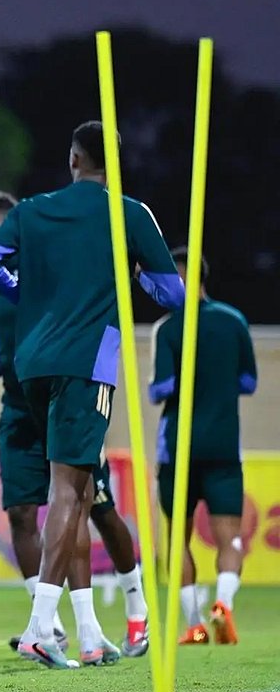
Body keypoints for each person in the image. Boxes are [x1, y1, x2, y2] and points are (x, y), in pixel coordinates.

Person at [0, 121, 184, 669]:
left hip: (32, 364)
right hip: (87, 363)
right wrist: (132, 275)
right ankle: (40, 628)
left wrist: (25, 293)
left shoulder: (31, 210)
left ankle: (90, 632)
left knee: (84, 490)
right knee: (70, 489)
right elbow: (174, 294)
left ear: (73, 159)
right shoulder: (129, 213)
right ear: (114, 163)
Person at [150, 247, 257, 645]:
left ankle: (194, 625)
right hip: (224, 445)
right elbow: (248, 382)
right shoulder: (234, 321)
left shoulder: (168, 328)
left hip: (178, 448)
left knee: (177, 537)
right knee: (230, 536)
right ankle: (223, 605)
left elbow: (161, 389)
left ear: (181, 277)